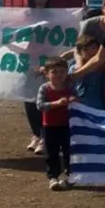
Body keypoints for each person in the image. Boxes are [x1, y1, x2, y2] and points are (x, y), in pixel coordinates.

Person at [36, 57, 77, 191]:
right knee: (51, 153)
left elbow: (78, 100)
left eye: (62, 71)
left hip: (68, 126)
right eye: (54, 72)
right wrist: (56, 103)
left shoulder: (70, 87)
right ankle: (53, 177)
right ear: (47, 74)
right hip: (49, 126)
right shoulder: (45, 88)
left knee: (69, 152)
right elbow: (40, 106)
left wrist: (74, 100)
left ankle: (70, 176)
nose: (59, 75)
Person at [25, 0, 51, 155]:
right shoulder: (25, 15)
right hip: (28, 61)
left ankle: (44, 136)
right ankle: (36, 134)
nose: (41, 1)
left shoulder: (53, 15)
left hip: (47, 61)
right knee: (29, 99)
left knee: (44, 97)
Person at [70, 35, 105, 111]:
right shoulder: (73, 69)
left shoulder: (101, 69)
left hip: (96, 106)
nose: (90, 51)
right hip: (78, 105)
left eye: (93, 48)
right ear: (80, 52)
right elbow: (69, 87)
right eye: (85, 49)